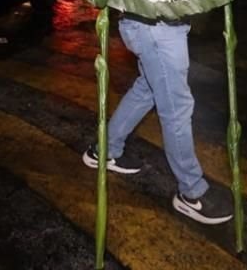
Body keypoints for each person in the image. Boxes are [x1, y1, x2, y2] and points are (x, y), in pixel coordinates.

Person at [82, 12, 233, 225]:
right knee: (176, 108)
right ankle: (191, 192)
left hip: (150, 25)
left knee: (147, 89)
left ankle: (105, 149)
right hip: (157, 27)